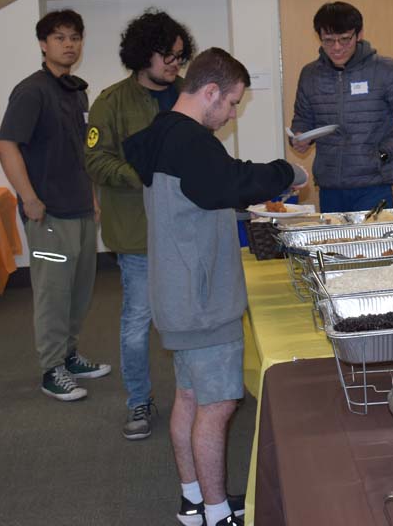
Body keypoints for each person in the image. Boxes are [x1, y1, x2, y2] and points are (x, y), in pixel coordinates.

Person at [124, 47, 307, 526]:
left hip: (177, 292)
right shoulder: (191, 142)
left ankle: (194, 502)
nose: (230, 115)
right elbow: (235, 181)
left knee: (190, 398)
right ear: (209, 92)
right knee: (218, 405)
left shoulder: (163, 132)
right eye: (230, 104)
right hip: (202, 299)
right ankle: (218, 512)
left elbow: (212, 191)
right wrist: (289, 172)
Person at [85, 10, 195, 439]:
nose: (174, 63)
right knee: (137, 320)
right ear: (142, 54)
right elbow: (95, 160)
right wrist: (143, 176)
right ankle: (138, 401)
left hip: (186, 228)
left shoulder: (188, 94)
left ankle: (193, 396)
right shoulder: (111, 102)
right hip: (137, 232)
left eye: (180, 56)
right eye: (167, 55)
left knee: (188, 319)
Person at [0, 9, 111, 402]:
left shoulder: (76, 91)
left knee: (79, 291)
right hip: (48, 214)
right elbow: (6, 144)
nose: (69, 45)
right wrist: (28, 197)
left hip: (80, 208)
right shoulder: (32, 91)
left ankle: (69, 355)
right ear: (43, 44)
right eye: (60, 38)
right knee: (53, 292)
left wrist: (92, 197)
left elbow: (82, 151)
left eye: (75, 37)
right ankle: (51, 369)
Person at [289, 1, 393, 212]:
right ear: (319, 37)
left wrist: (383, 154)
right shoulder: (310, 74)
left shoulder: (385, 70)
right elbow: (302, 120)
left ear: (359, 34)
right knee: (334, 235)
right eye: (328, 40)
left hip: (373, 185)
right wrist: (299, 138)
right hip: (329, 186)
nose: (336, 47)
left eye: (344, 39)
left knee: (376, 236)